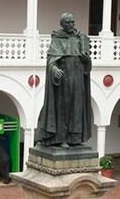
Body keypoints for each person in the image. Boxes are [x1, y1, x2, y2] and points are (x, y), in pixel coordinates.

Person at [36, 12, 92, 146]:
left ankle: (74, 138)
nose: (71, 25)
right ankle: (61, 138)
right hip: (64, 78)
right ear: (62, 24)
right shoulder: (57, 38)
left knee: (77, 107)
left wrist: (86, 60)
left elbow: (87, 63)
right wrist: (55, 70)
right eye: (68, 22)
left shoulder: (80, 38)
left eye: (73, 22)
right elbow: (51, 60)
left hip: (78, 77)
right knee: (63, 108)